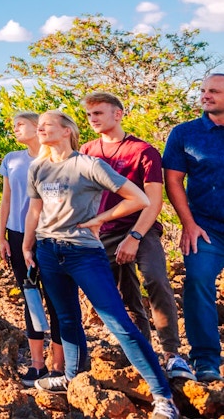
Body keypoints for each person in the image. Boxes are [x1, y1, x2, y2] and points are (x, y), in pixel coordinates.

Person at [23, 111, 179, 419]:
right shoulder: (38, 167)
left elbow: (137, 198)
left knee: (117, 321)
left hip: (84, 253)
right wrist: (28, 247)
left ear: (67, 131)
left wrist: (100, 219)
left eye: (47, 124)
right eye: (38, 125)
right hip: (47, 251)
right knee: (66, 320)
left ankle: (163, 396)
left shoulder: (87, 164)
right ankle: (72, 375)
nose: (40, 128)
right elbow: (34, 211)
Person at [81, 92, 194, 381]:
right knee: (121, 294)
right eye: (89, 115)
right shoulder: (87, 150)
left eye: (99, 113)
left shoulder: (143, 151)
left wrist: (134, 236)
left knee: (155, 279)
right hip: (102, 231)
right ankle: (142, 353)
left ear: (118, 114)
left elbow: (153, 201)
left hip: (141, 228)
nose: (93, 119)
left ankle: (173, 355)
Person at [163, 73, 224, 383]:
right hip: (206, 228)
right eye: (203, 90)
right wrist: (189, 224)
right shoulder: (185, 133)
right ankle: (206, 361)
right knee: (198, 281)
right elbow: (172, 180)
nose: (205, 96)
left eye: (213, 91)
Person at [0, 111, 64, 387]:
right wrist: (1, 236)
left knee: (56, 299)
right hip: (16, 236)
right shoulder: (11, 159)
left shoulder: (54, 158)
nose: (15, 129)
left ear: (38, 126)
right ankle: (37, 364)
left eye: (20, 124)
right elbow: (7, 198)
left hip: (48, 236)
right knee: (31, 297)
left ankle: (59, 365)